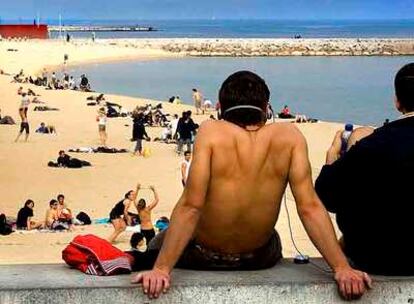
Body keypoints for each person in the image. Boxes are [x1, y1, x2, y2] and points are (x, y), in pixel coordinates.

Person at [131, 71, 371, 300]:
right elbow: (309, 207)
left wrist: (162, 269)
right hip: (258, 257)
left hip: (203, 255)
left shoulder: (211, 131)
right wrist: (341, 267)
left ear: (220, 108)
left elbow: (191, 205)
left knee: (158, 241)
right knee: (272, 235)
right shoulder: (290, 136)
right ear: (266, 109)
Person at [315, 63, 414, 276]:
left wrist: (332, 159)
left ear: (397, 102)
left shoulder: (372, 144)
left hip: (376, 259)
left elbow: (326, 198)